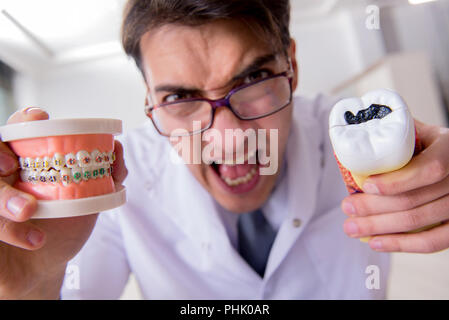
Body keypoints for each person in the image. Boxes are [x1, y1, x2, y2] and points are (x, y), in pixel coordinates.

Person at [1, 0, 449, 300]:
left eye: (253, 79)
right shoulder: (113, 181)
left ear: (291, 65)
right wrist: (31, 283)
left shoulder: (354, 136)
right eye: (180, 98)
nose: (230, 137)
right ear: (148, 99)